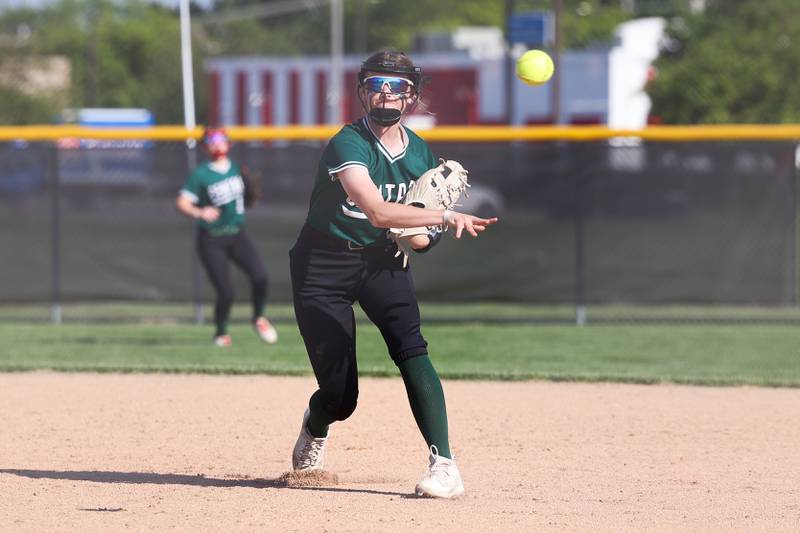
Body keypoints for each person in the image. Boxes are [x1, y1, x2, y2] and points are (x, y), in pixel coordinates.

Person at [288, 49, 498, 498]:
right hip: (322, 264)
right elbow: (378, 211)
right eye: (378, 83)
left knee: (411, 348)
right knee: (342, 396)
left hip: (382, 260)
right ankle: (318, 421)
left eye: (398, 85)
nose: (387, 92)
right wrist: (443, 215)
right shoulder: (348, 142)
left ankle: (445, 465)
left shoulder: (419, 151)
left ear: (413, 97)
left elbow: (415, 239)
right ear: (363, 92)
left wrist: (431, 229)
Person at [176, 128, 278, 347]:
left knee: (260, 277)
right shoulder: (200, 174)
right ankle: (221, 333)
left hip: (236, 235)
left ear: (228, 144)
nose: (217, 145)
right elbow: (182, 202)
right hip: (211, 240)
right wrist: (199, 212)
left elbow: (248, 197)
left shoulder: (236, 168)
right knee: (226, 292)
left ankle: (259, 318)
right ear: (205, 147)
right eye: (211, 141)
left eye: (221, 140)